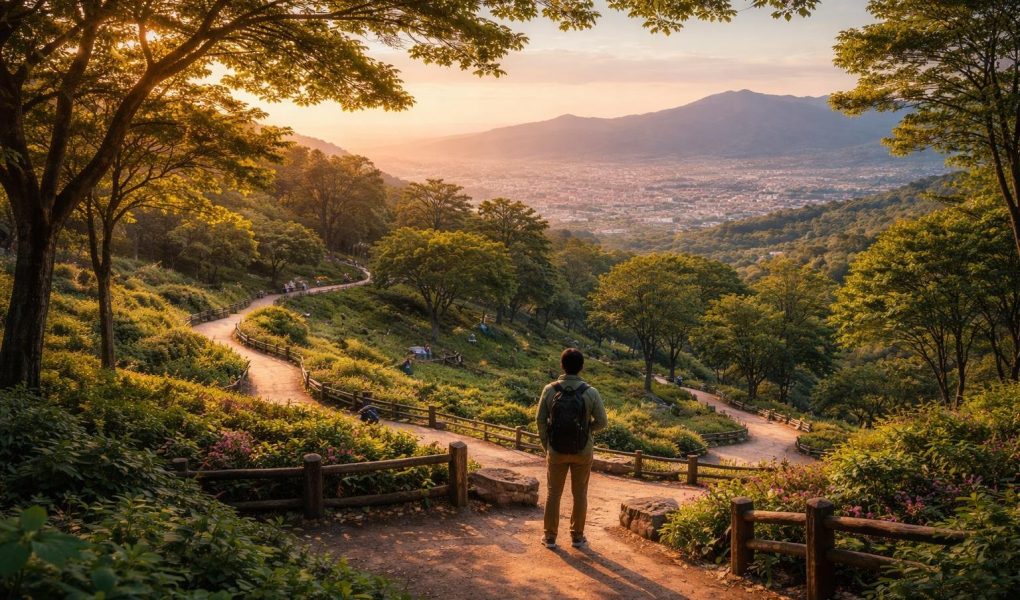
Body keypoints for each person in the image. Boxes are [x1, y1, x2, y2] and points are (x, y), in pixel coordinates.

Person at [536, 348, 607, 550]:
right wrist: (587, 431)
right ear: (581, 367)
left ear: (562, 365)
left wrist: (547, 445)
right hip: (582, 451)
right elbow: (602, 421)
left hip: (556, 451)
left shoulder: (550, 389)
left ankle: (550, 537)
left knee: (553, 494)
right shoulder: (591, 392)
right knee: (580, 494)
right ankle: (577, 537)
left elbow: (540, 420)